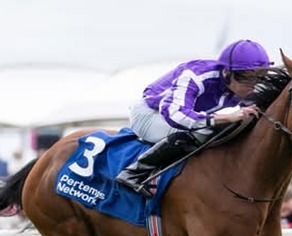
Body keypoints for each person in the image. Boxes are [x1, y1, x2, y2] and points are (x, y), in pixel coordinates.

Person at [115, 39, 274, 197]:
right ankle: (133, 173)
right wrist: (225, 118)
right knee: (200, 132)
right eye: (246, 77)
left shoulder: (238, 84)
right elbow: (177, 116)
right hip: (150, 114)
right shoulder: (196, 75)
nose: (253, 85)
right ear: (226, 72)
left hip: (180, 116)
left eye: (260, 77)